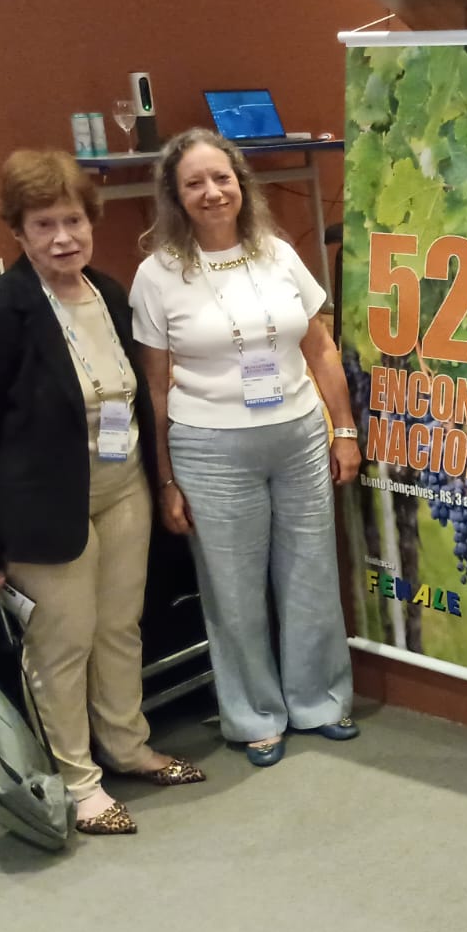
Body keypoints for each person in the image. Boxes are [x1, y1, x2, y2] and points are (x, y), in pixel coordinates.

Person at [0, 150, 205, 836]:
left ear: (92, 222)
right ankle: (78, 782)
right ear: (18, 232)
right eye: (43, 225)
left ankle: (127, 746)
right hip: (42, 508)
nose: (63, 238)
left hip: (123, 491)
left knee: (120, 628)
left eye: (73, 221)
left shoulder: (110, 293)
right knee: (63, 646)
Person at [131, 129, 361, 769]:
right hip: (210, 447)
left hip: (299, 436)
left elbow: (320, 347)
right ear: (175, 196)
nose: (212, 192)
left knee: (311, 573)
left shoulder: (277, 253)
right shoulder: (156, 275)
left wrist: (343, 429)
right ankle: (254, 715)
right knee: (232, 590)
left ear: (241, 183)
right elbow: (155, 387)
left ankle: (318, 700)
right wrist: (166, 480)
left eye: (221, 178)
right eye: (194, 183)